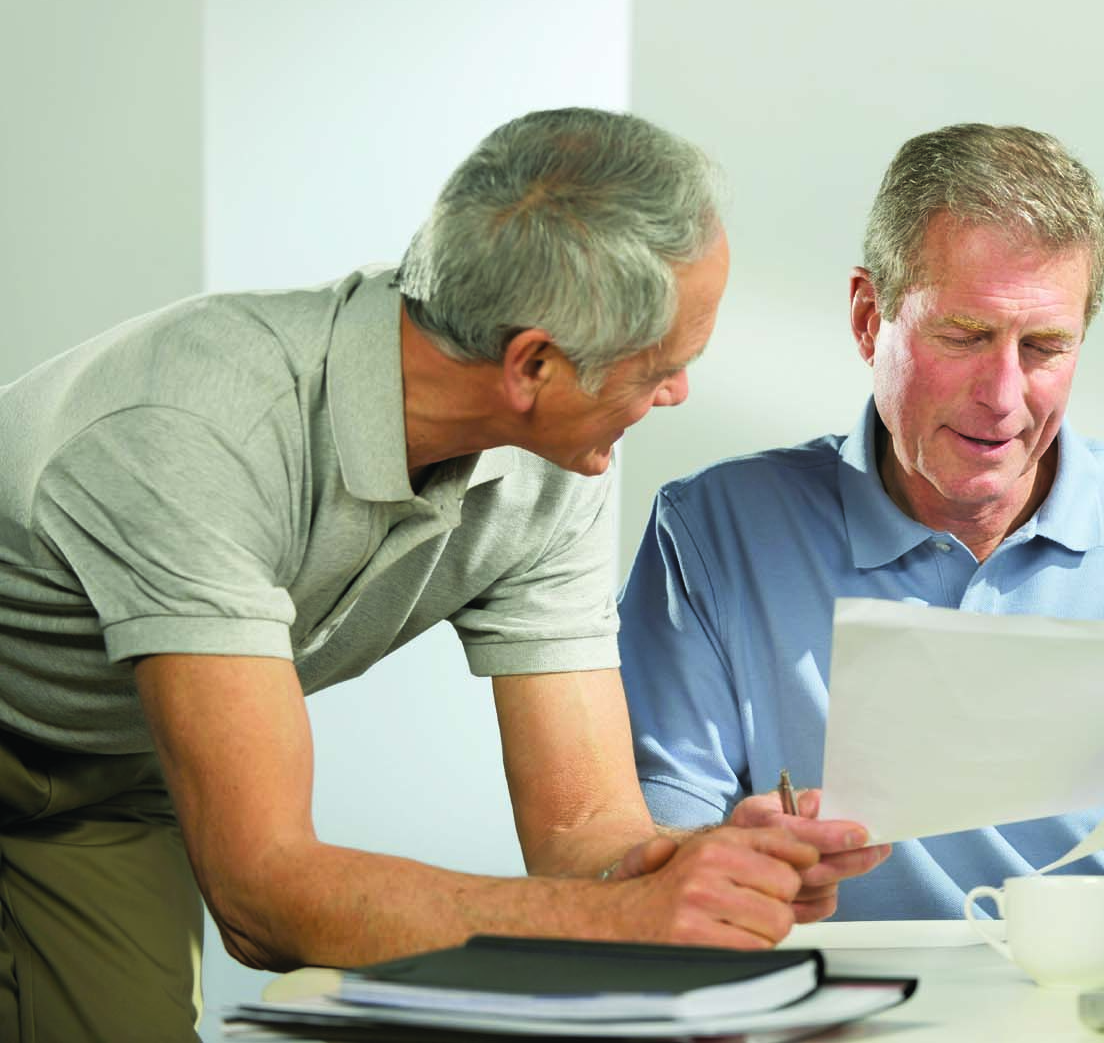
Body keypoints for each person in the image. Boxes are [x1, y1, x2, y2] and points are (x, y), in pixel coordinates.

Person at [0, 108, 876, 1042]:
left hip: (106, 758)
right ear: (533, 362)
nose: (678, 394)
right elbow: (261, 896)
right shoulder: (198, 434)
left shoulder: (557, 460)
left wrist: (693, 870)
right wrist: (622, 921)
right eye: (659, 367)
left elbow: (581, 830)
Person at [618, 123, 1104, 930]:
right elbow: (640, 865)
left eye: (1044, 347)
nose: (1003, 396)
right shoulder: (715, 531)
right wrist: (730, 861)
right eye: (965, 336)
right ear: (867, 319)